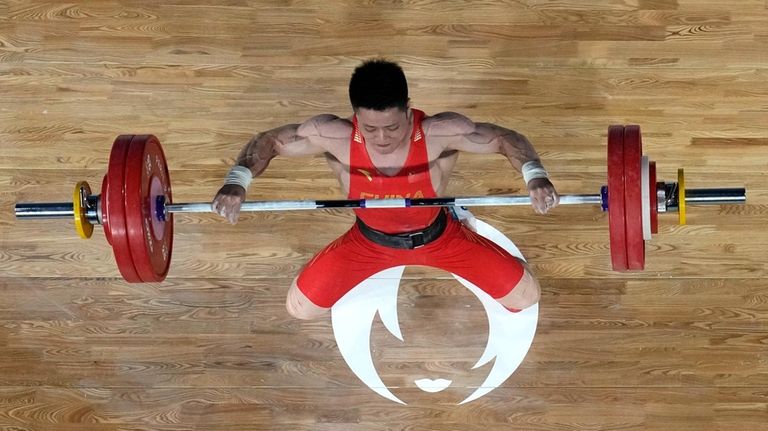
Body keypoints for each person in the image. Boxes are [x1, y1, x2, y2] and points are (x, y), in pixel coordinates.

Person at [212, 59, 559, 320]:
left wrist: (535, 174)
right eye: (370, 128)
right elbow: (270, 140)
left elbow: (503, 138)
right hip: (369, 240)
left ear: (408, 108)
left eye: (392, 127)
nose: (381, 138)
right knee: (300, 310)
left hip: (439, 235)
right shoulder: (331, 135)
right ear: (355, 115)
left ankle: (464, 224)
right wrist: (236, 181)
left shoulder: (442, 132)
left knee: (526, 298)